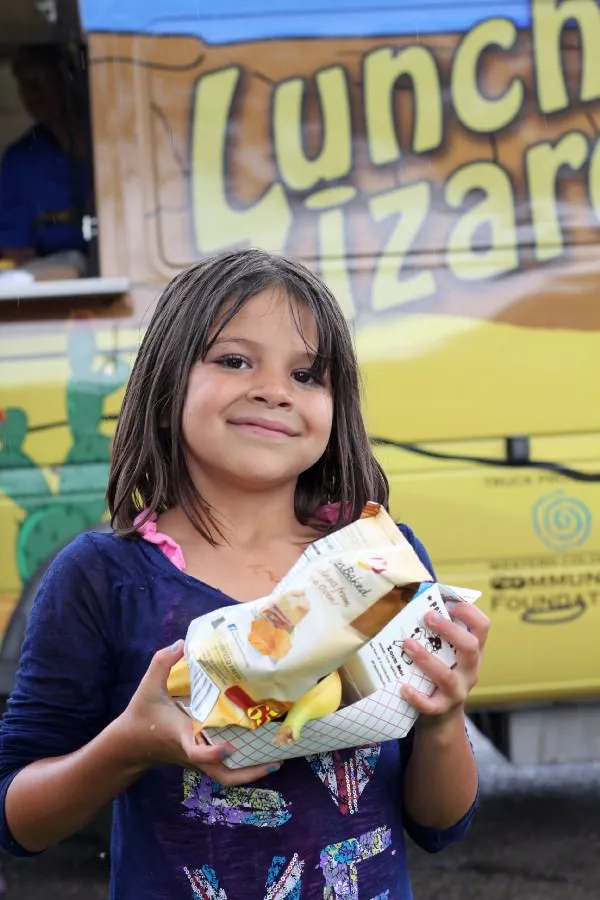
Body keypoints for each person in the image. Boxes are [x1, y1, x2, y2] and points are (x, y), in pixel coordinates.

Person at [0, 248, 490, 899]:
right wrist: (129, 744)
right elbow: (18, 821)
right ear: (169, 381)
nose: (275, 389)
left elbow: (439, 823)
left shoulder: (382, 563)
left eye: (308, 374)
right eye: (234, 360)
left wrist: (440, 717)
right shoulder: (100, 579)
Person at [0, 45, 89, 265]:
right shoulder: (19, 160)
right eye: (23, 84)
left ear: (68, 79)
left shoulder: (111, 140)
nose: (31, 92)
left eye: (39, 80)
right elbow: (15, 250)